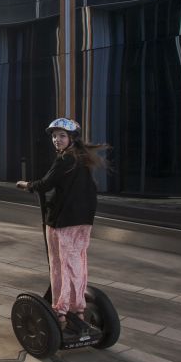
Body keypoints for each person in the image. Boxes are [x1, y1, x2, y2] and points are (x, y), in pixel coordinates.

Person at [17, 118, 109, 337]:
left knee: (58, 266)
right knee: (77, 263)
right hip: (84, 221)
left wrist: (27, 185)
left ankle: (60, 311)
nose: (56, 140)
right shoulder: (83, 158)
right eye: (54, 136)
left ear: (72, 138)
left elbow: (45, 184)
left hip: (62, 222)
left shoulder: (65, 160)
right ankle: (78, 310)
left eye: (62, 136)